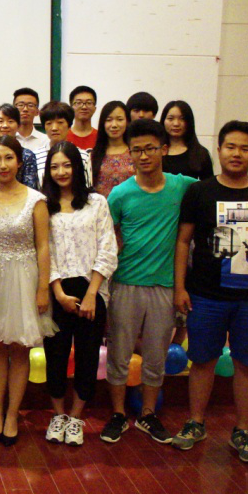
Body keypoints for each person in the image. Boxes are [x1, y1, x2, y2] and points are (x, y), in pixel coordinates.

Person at [172, 121, 248, 464]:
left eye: (245, 148)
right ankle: (196, 422)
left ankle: (242, 430)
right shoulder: (200, 192)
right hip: (206, 295)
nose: (236, 153)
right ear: (219, 149)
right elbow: (183, 242)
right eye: (230, 146)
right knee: (202, 361)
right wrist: (180, 287)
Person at [101, 119, 197, 445]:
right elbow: (106, 236)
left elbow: (220, 186)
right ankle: (117, 414)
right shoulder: (120, 194)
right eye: (137, 150)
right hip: (125, 283)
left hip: (164, 287)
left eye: (150, 149)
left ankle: (147, 414)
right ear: (130, 153)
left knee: (156, 355)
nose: (143, 156)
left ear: (164, 150)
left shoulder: (182, 186)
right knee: (119, 353)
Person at [0, 136, 54, 445]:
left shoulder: (36, 200)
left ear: (19, 162)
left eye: (8, 158)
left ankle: (12, 414)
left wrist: (43, 287)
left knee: (20, 351)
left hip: (26, 280)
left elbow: (43, 246)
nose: (2, 165)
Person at [42, 142, 118, 446]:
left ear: (77, 167)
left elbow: (108, 248)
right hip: (57, 291)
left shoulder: (96, 202)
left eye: (67, 165)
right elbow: (43, 252)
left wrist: (91, 294)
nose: (61, 172)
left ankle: (75, 417)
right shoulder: (43, 205)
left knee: (87, 356)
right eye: (54, 166)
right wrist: (58, 293)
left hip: (92, 290)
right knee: (55, 356)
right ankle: (58, 414)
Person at [34, 101, 92, 185]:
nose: (54, 128)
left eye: (60, 122)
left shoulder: (83, 156)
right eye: (49, 123)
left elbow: (87, 186)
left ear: (69, 125)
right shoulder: (35, 156)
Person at [160, 100, 214, 181]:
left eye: (182, 119)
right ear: (163, 121)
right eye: (170, 118)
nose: (176, 123)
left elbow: (208, 185)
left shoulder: (200, 153)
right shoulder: (156, 151)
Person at [91, 101, 134, 198]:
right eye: (109, 120)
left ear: (127, 121)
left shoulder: (135, 152)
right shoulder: (93, 155)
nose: (114, 125)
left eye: (120, 119)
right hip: (102, 206)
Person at [13, 87, 49, 152]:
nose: (25, 109)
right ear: (13, 109)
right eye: (20, 105)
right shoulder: (7, 139)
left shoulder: (45, 141)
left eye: (30, 105)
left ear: (37, 111)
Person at [67, 86, 98, 151]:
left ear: (95, 109)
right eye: (78, 103)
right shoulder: (64, 136)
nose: (84, 107)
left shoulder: (101, 137)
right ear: (71, 108)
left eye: (89, 103)